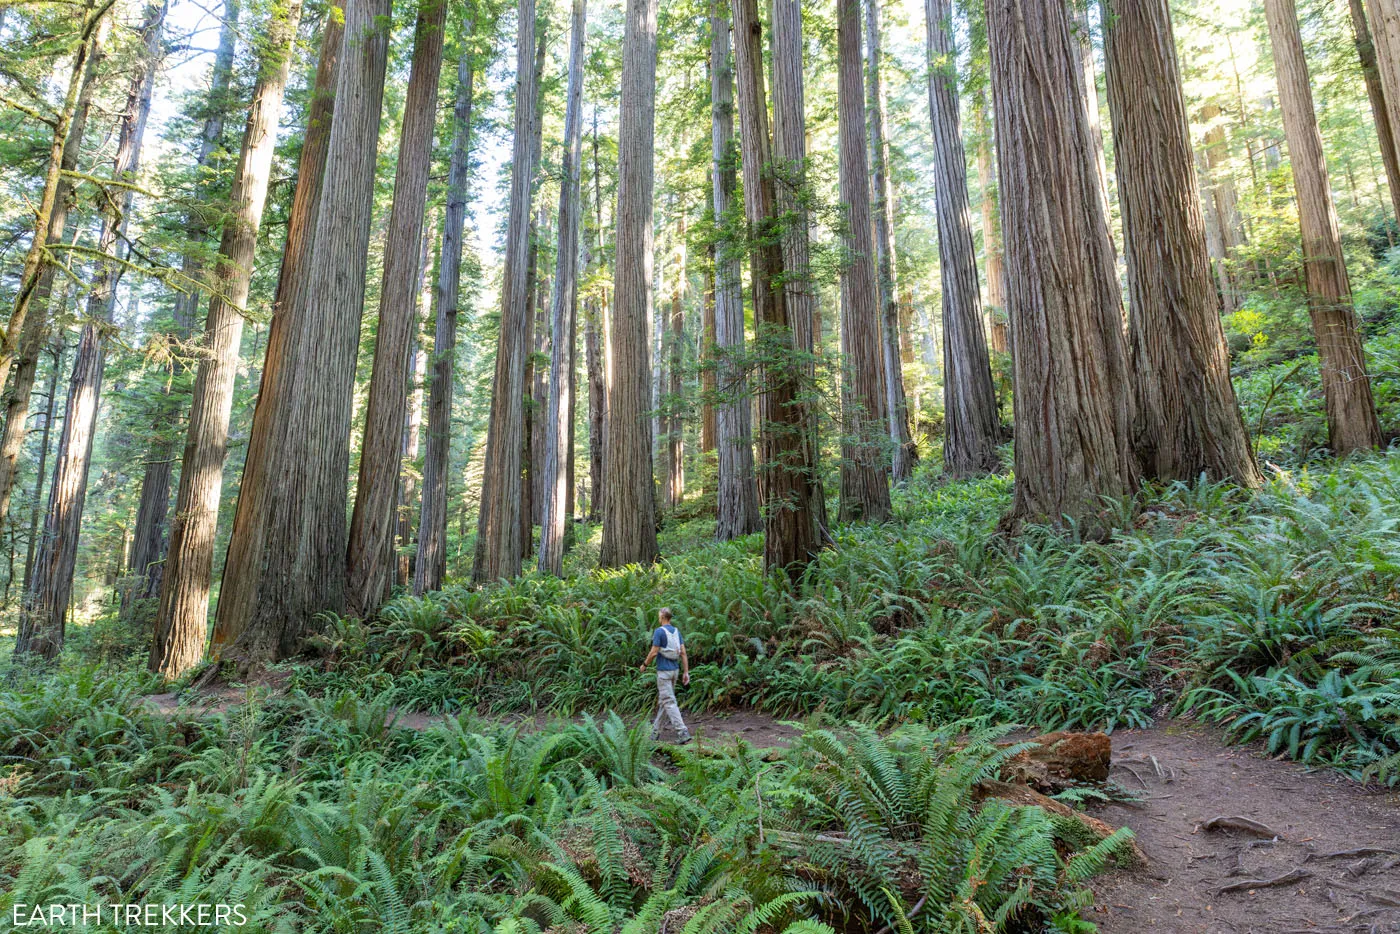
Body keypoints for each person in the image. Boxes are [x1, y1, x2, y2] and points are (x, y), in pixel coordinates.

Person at [638, 607, 691, 744]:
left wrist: (644, 664)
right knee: (664, 702)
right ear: (670, 618)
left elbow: (654, 652)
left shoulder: (659, 632)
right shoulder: (676, 632)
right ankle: (655, 733)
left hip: (664, 672)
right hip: (675, 670)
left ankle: (682, 731)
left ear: (661, 618)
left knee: (669, 702)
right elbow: (683, 653)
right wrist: (686, 672)